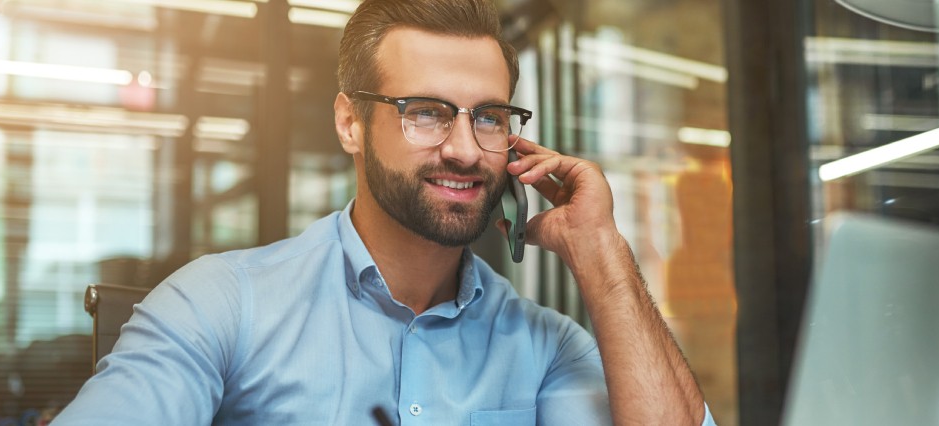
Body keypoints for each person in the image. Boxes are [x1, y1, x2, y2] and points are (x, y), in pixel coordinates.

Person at [55, 0, 713, 424]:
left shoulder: (545, 348)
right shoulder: (221, 304)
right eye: (425, 112)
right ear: (350, 122)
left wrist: (598, 247)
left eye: (488, 117)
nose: (463, 149)